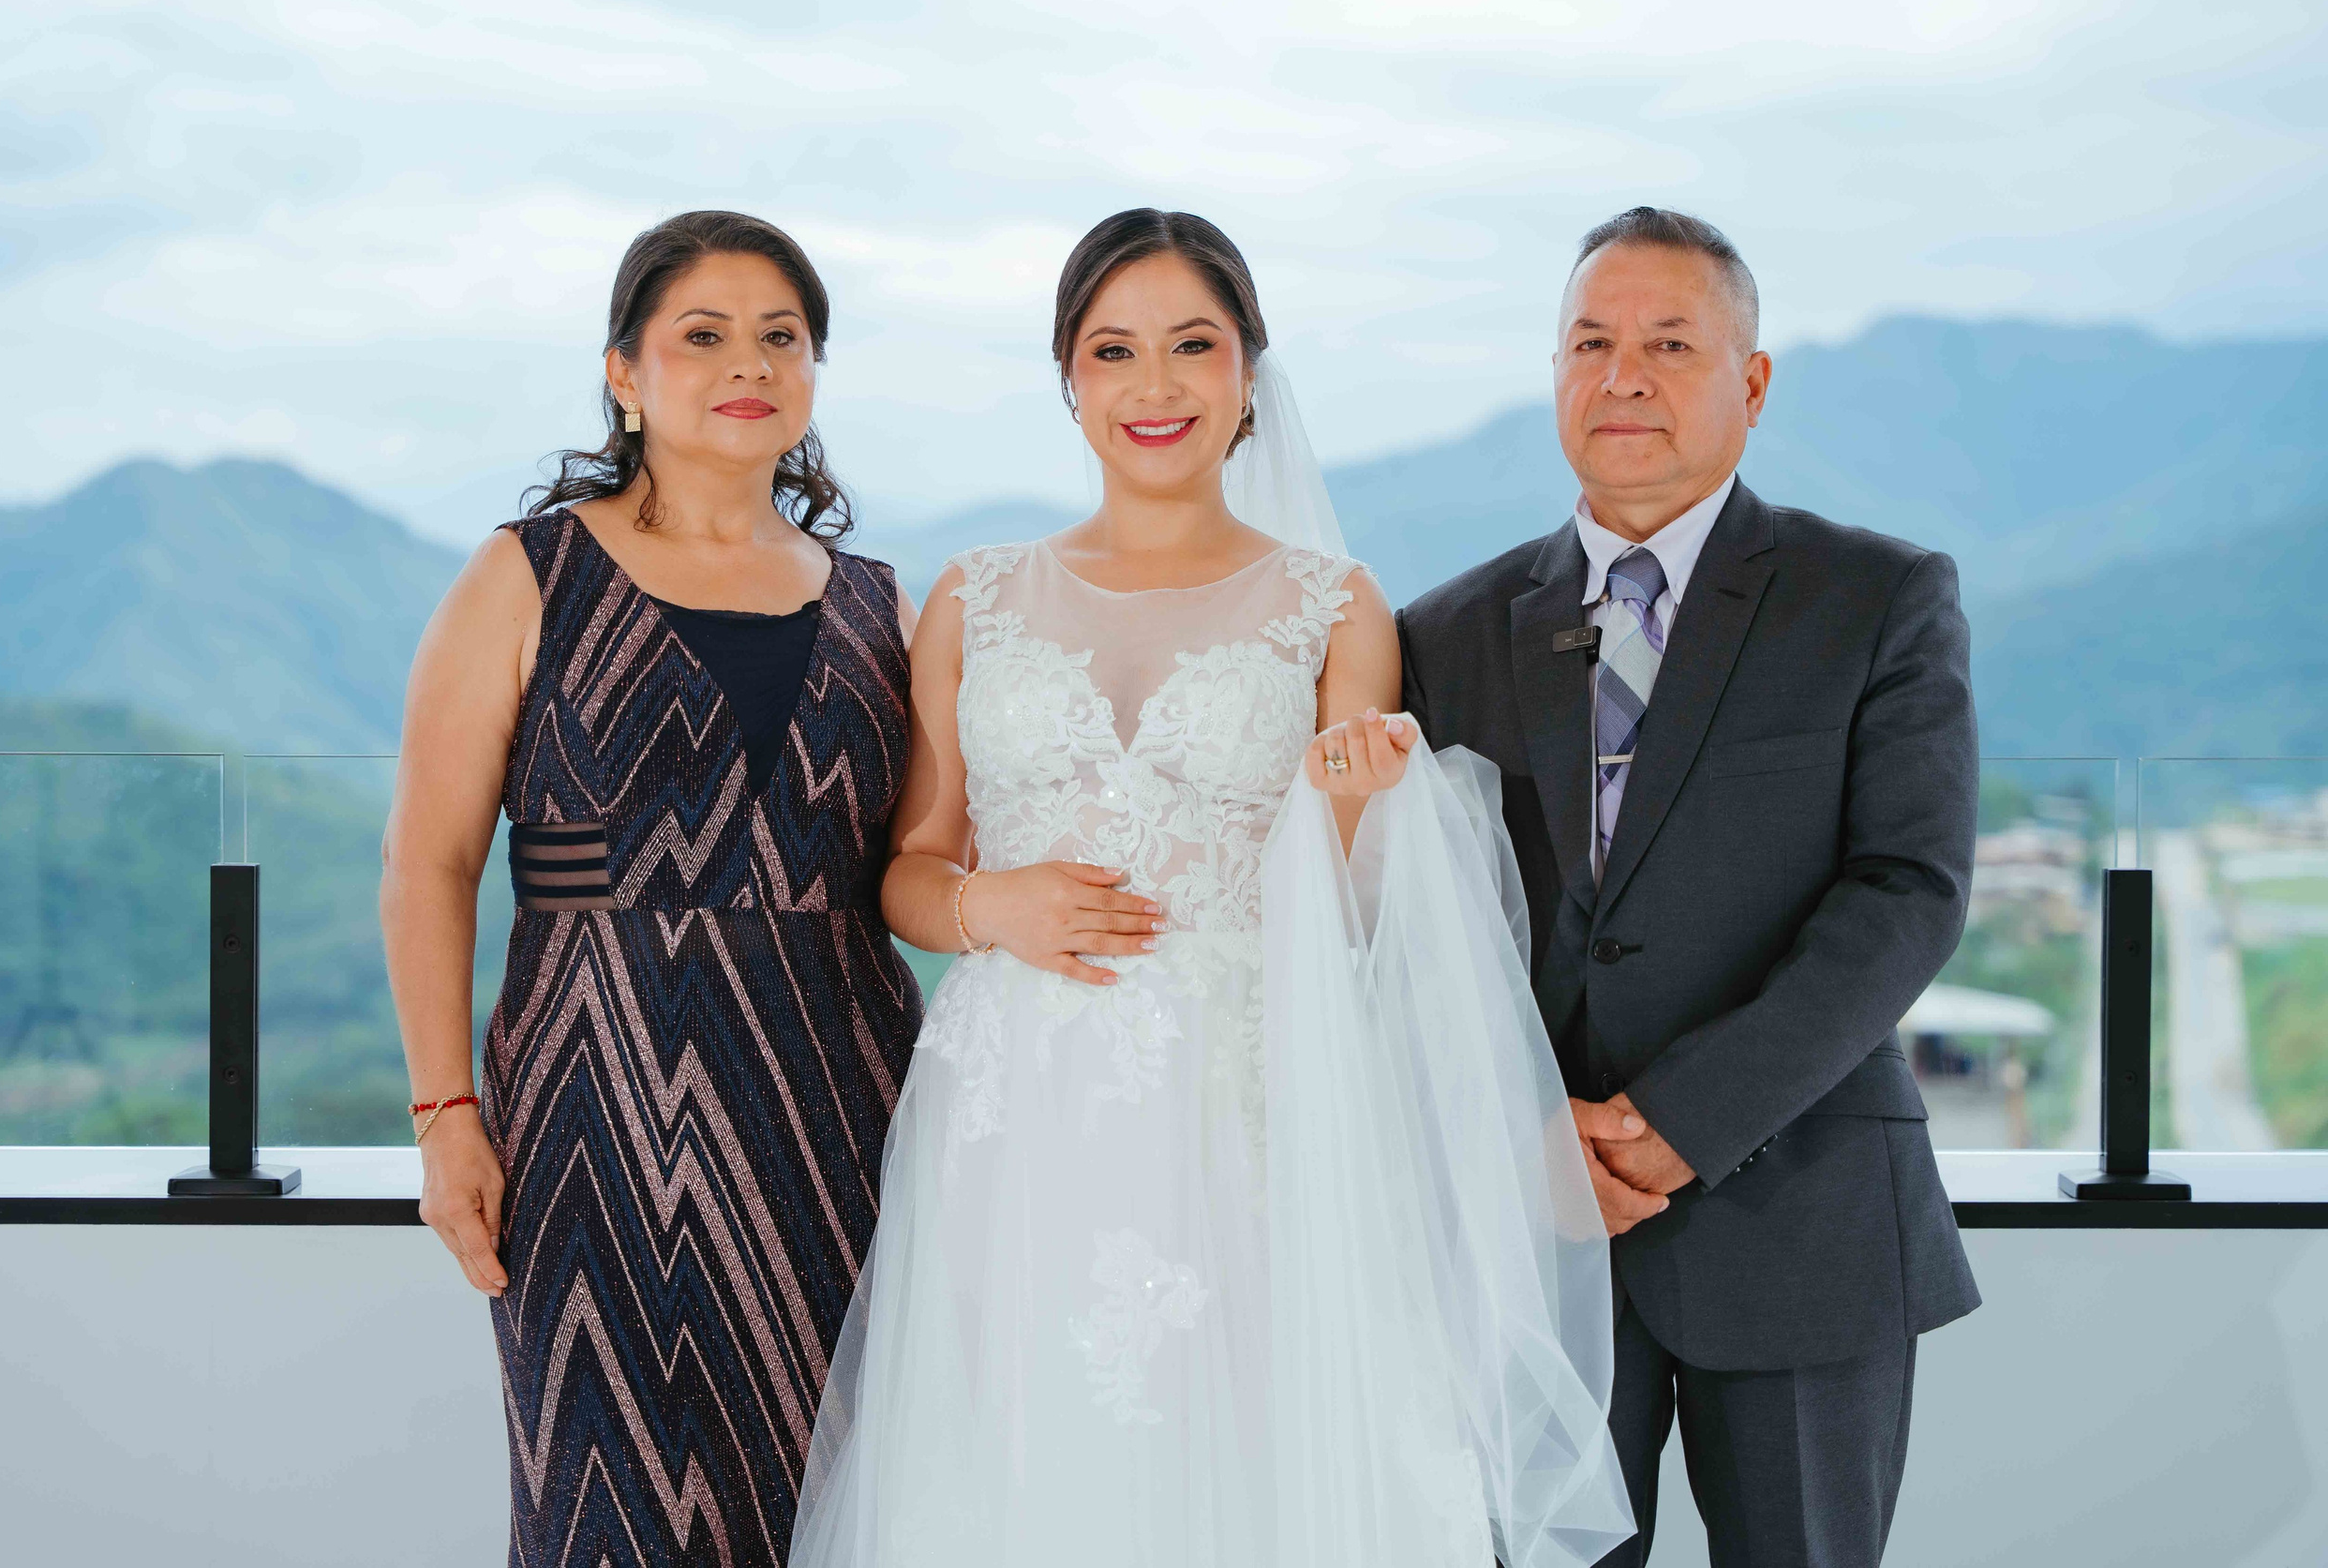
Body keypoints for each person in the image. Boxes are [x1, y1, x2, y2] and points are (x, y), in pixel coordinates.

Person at [788, 209, 1631, 1568]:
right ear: (1069, 378)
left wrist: (1366, 811)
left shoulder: (1334, 607)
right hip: (1016, 1120)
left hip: (1245, 1112)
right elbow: (911, 868)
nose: (1155, 384)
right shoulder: (975, 597)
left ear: (1249, 373)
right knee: (1013, 1469)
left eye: (1193, 345)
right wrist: (986, 910)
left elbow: (1364, 927)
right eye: (1114, 350)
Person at [1399, 207, 1982, 1567]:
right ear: (1553, 372)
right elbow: (1419, 934)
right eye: (1591, 343)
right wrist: (1524, 1133)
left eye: (1670, 343)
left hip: (1803, 1224)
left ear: (1753, 381)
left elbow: (1908, 891)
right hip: (1535, 1238)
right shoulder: (1444, 633)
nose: (1625, 378)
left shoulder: (1878, 597)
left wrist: (1682, 1120)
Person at [381, 210, 924, 1566]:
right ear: (625, 370)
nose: (749, 363)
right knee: (601, 1507)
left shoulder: (879, 604)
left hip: (838, 1125)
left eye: (781, 337)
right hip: (591, 1121)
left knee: (834, 1507)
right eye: (704, 335)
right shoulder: (527, 576)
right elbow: (428, 863)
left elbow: (924, 866)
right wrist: (446, 1111)